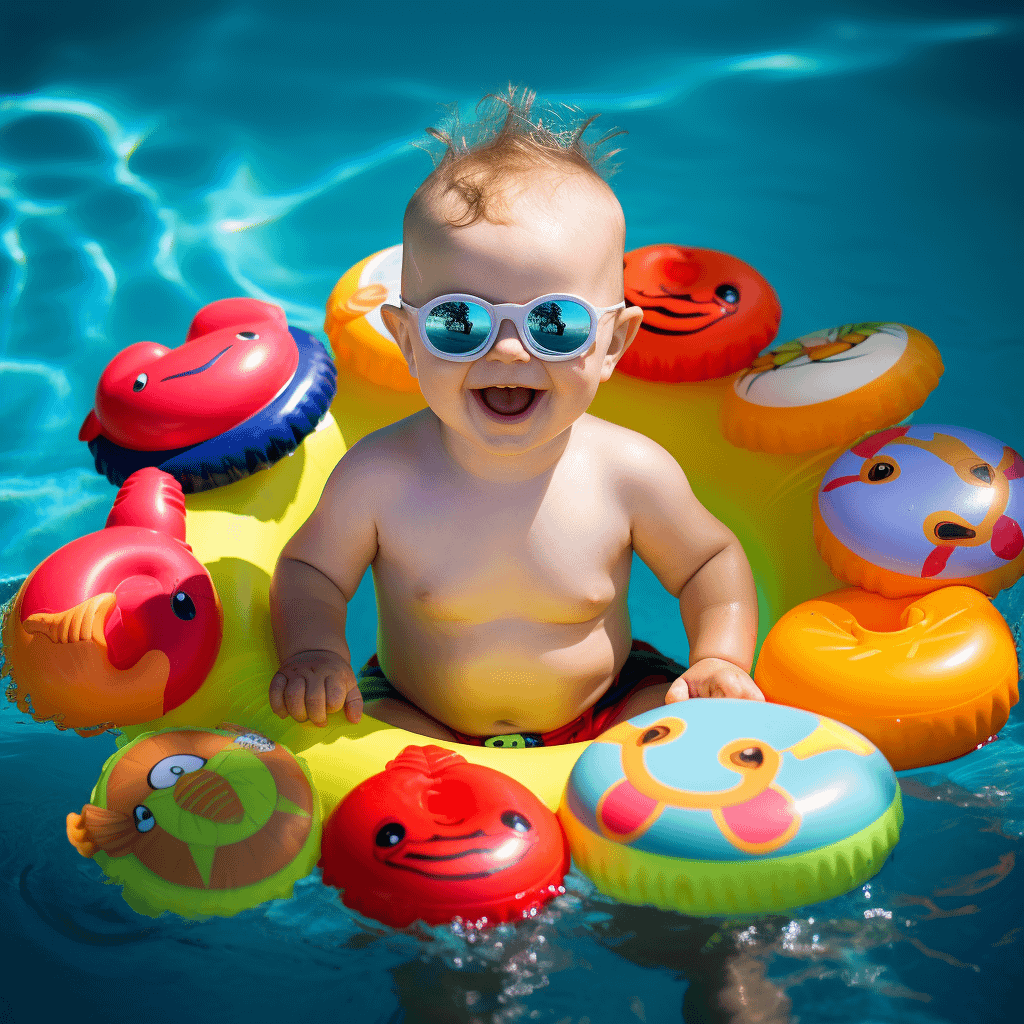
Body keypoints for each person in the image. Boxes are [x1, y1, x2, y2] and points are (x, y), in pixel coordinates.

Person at [269, 89, 763, 745]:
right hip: (420, 714)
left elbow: (707, 562)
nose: (507, 351)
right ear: (407, 340)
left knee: (686, 729)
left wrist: (719, 658)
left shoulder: (628, 473)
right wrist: (314, 653)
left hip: (609, 702)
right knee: (351, 741)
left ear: (614, 343)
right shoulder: (379, 476)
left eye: (554, 325)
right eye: (458, 323)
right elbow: (312, 572)